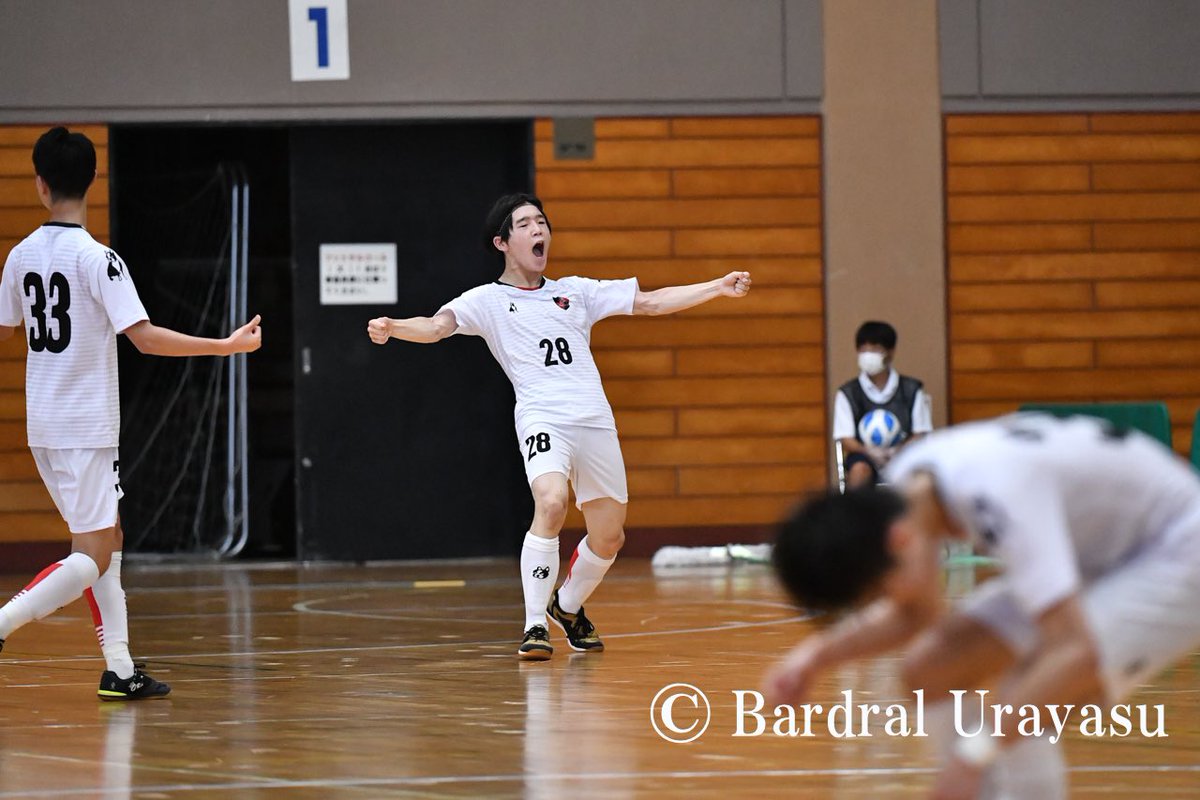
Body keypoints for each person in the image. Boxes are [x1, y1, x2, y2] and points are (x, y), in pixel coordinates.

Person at [367, 193, 751, 660]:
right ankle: (533, 626)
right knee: (551, 503)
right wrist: (395, 326)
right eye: (525, 224)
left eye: (542, 222)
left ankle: (566, 607)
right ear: (502, 242)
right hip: (542, 416)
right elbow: (436, 325)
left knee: (610, 535)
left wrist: (716, 286)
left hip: (594, 420)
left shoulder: (577, 291)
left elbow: (649, 302)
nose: (538, 230)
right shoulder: (486, 300)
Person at [765, 412, 1200, 799]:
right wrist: (814, 656)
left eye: (880, 593)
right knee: (930, 667)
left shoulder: (996, 492)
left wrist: (973, 757)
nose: (889, 605)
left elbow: (1074, 651)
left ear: (899, 542)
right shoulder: (905, 487)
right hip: (1101, 552)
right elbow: (917, 617)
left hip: (1179, 549)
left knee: (1029, 695)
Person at [0, 127, 263, 700]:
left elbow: (12, 327)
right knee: (91, 555)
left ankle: (119, 668)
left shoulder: (20, 255)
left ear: (40, 186)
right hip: (87, 426)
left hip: (43, 425)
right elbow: (143, 339)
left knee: (109, 539)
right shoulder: (99, 259)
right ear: (91, 181)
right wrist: (224, 346)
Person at [832, 320, 931, 489]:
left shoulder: (912, 389)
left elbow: (920, 433)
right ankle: (856, 514)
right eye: (863, 350)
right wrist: (869, 452)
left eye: (875, 349)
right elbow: (845, 438)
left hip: (904, 453)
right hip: (864, 455)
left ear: (890, 352)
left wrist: (898, 451)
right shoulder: (847, 393)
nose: (868, 355)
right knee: (859, 470)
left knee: (922, 476)